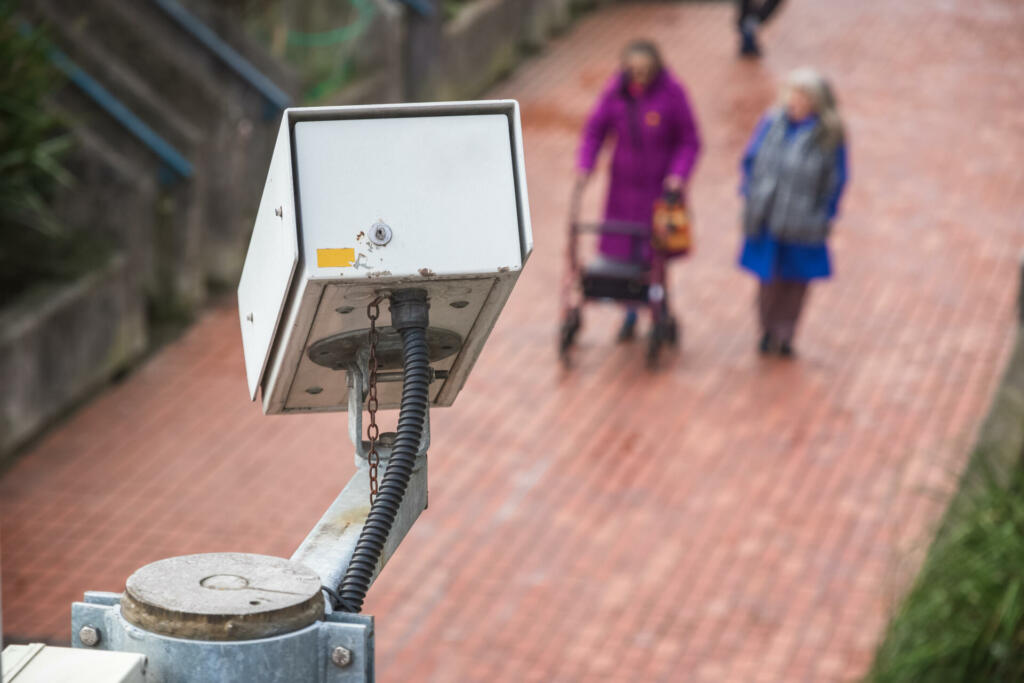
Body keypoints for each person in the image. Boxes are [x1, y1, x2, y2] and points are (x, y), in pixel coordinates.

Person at [576, 40, 701, 341]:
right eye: (633, 71)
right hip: (623, 191)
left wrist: (677, 176)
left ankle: (658, 306)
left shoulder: (672, 93)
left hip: (659, 192)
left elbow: (690, 140)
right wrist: (586, 164)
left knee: (654, 255)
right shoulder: (615, 92)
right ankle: (631, 312)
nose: (639, 77)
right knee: (625, 254)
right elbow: (595, 130)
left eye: (645, 71)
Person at [738, 67, 848, 357]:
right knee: (768, 279)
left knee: (796, 282)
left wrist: (826, 214)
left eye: (802, 97)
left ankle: (786, 334)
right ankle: (766, 329)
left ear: (816, 102)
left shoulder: (828, 134)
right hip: (768, 216)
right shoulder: (771, 123)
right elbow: (750, 159)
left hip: (804, 221)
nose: (794, 102)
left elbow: (835, 179)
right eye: (792, 95)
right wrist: (750, 193)